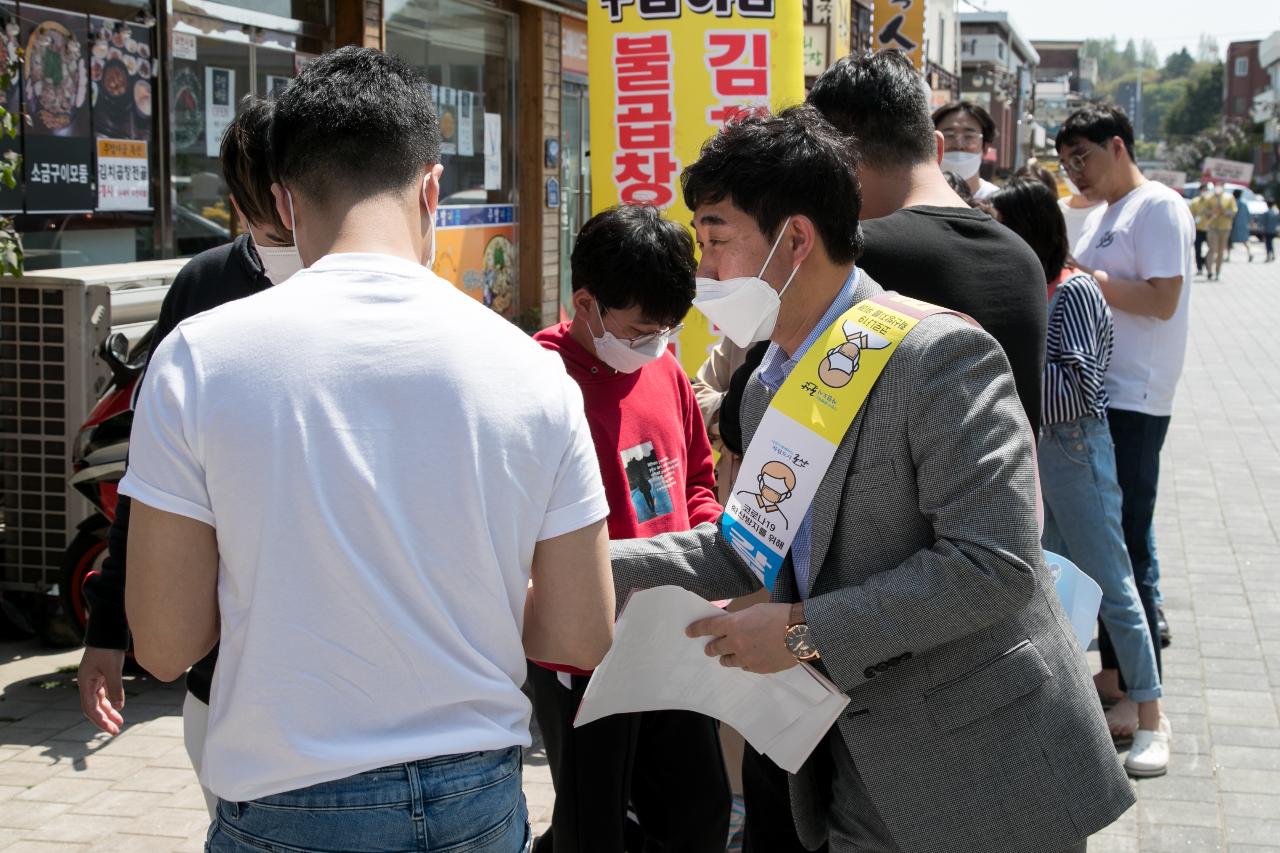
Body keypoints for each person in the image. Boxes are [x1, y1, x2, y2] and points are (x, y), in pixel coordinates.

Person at [120, 47, 615, 851]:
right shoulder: (534, 370)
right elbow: (583, 632)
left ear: (283, 198)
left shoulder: (199, 359)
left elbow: (167, 642)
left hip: (287, 795)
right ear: (432, 187)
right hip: (478, 795)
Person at [610, 105, 1132, 853]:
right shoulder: (767, 385)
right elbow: (745, 549)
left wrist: (798, 631)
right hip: (855, 773)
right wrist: (587, 565)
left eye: (716, 240)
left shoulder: (938, 357)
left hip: (984, 767)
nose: (702, 273)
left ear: (794, 239)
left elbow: (995, 564)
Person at [77, 97, 301, 816]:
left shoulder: (385, 291)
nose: (291, 234)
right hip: (229, 665)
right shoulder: (205, 290)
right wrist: (108, 628)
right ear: (243, 206)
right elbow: (149, 482)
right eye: (272, 221)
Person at [528, 203, 730, 853]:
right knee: (595, 824)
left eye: (667, 330)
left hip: (674, 632)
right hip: (584, 649)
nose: (655, 344)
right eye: (642, 329)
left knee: (699, 806)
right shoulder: (534, 378)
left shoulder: (663, 368)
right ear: (585, 303)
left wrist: (714, 555)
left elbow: (697, 478)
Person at [990, 179, 1170, 778]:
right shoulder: (1032, 288)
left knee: (1114, 586)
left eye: (1000, 222)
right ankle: (1064, 717)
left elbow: (1079, 389)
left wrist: (1003, 370)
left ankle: (1151, 718)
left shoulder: (1076, 292)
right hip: (1042, 451)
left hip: (1073, 450)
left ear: (1030, 227)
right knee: (1054, 590)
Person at [807, 51, 1047, 433]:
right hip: (1012, 491)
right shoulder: (1023, 258)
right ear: (937, 147)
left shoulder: (853, 254)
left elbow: (756, 404)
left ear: (837, 159)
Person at [1058, 102, 1194, 701]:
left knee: (1126, 542)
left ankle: (1144, 691)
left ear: (1118, 146)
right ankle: (1113, 677)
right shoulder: (1105, 213)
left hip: (1135, 396)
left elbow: (1163, 300)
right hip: (1098, 399)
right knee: (1105, 540)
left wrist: (1083, 278)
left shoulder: (1157, 205)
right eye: (1065, 163)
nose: (1074, 172)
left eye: (1082, 157)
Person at [932, 100, 999, 200]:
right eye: (949, 136)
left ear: (985, 147)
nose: (959, 145)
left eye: (969, 136)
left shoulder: (998, 202)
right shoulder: (917, 201)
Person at [1206, 183, 1235, 280]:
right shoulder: (1209, 198)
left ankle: (1218, 272)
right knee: (1212, 249)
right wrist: (1213, 211)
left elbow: (1233, 212)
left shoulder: (1229, 198)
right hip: (1213, 227)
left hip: (1225, 228)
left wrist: (1224, 211)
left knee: (1221, 251)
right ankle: (1209, 271)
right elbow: (1206, 212)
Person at [1189, 183, 1212, 275]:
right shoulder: (1195, 201)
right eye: (1203, 190)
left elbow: (1214, 214)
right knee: (1198, 250)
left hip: (1209, 229)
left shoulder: (1211, 201)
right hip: (1198, 229)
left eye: (1206, 190)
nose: (1204, 192)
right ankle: (1199, 268)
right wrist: (1195, 219)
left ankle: (1205, 261)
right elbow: (1191, 215)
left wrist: (1208, 213)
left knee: (1212, 249)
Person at [1230, 187, 1254, 262]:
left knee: (1229, 241)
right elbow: (1249, 215)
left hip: (1233, 224)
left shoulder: (1232, 203)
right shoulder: (1244, 203)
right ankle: (1250, 253)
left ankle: (1227, 256)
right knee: (1245, 241)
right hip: (1243, 225)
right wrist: (1251, 223)